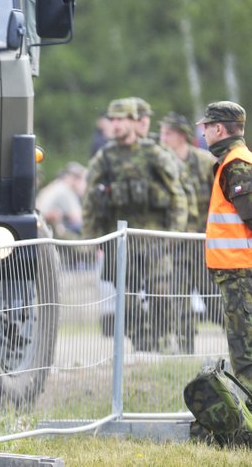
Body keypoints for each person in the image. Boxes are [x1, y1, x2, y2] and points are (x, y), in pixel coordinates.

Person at [83, 97, 188, 352]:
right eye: (112, 119)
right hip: (121, 242)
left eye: (121, 119)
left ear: (133, 121)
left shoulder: (154, 154)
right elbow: (89, 201)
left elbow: (177, 196)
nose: (116, 125)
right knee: (126, 300)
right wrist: (93, 239)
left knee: (161, 292)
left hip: (153, 238)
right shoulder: (105, 157)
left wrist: (174, 235)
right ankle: (142, 343)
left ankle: (163, 340)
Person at [199, 101, 252, 390]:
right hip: (236, 270)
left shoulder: (236, 165)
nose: (204, 133)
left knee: (245, 354)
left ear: (219, 128)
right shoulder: (232, 162)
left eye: (206, 127)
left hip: (241, 271)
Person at [161, 111, 219, 352]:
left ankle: (240, 343)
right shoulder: (160, 163)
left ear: (181, 135)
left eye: (168, 133)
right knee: (178, 297)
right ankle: (185, 350)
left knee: (213, 296)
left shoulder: (205, 161)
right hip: (175, 242)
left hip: (203, 241)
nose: (163, 137)